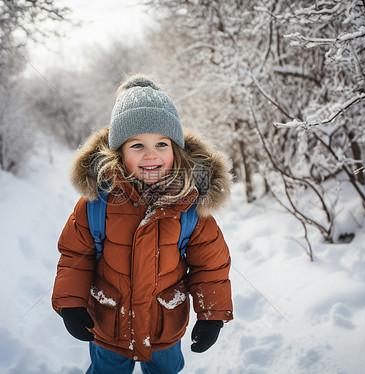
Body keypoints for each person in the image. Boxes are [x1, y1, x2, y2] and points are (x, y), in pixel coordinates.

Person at [52, 74, 234, 374]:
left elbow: (210, 265)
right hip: (109, 325)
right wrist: (71, 303)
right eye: (137, 145)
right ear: (119, 152)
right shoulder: (98, 203)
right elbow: (75, 255)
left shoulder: (190, 205)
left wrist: (211, 314)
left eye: (162, 144)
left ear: (176, 150)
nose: (151, 155)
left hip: (164, 326)